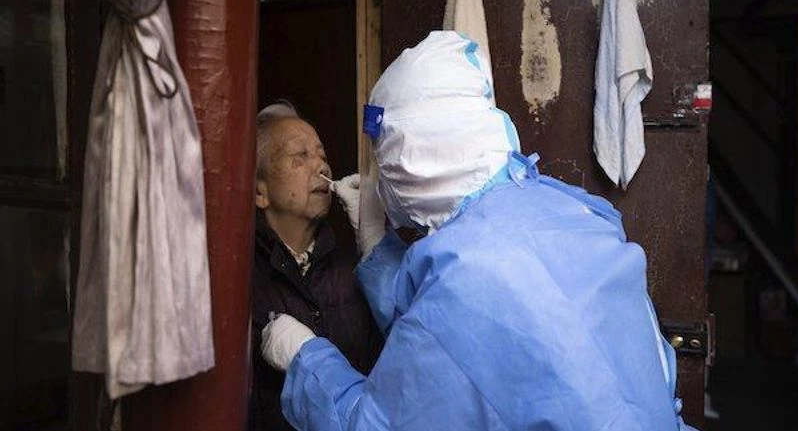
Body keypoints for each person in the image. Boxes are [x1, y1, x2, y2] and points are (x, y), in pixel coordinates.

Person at [259, 32, 700, 431]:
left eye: (382, 155)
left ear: (406, 158)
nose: (320, 165)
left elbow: (386, 414)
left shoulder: (465, 281)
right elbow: (451, 340)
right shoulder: (566, 209)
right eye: (297, 156)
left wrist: (307, 358)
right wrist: (378, 247)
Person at [249, 100, 384, 431]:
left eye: (322, 155)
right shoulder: (240, 278)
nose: (321, 167)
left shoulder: (353, 270)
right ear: (259, 192)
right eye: (300, 157)